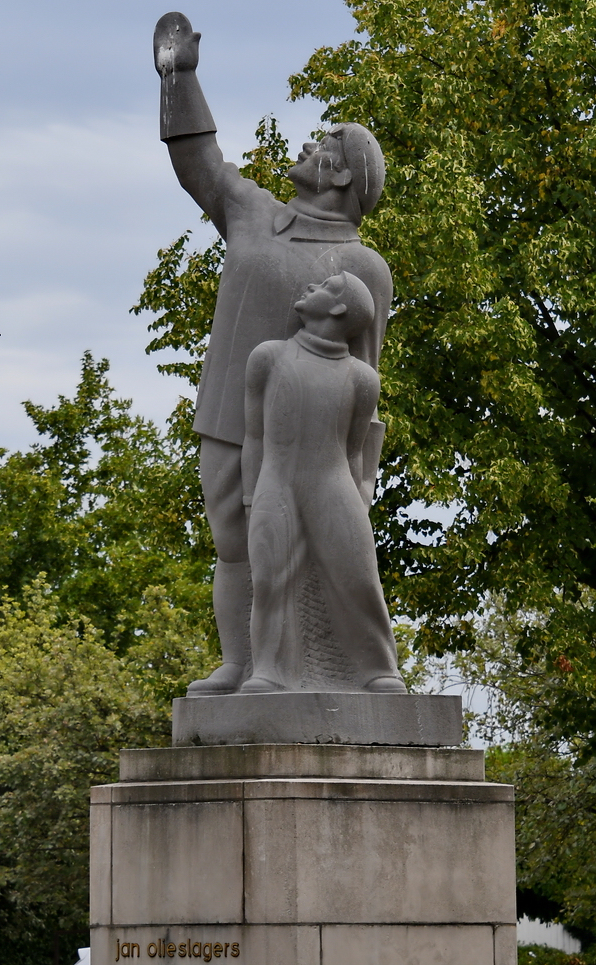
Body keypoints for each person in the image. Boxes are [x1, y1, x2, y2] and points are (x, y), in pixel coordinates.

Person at [153, 12, 393, 694]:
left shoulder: (363, 266)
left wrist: (360, 474)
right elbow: (199, 163)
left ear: (342, 176)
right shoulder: (253, 213)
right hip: (232, 408)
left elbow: (365, 376)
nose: (307, 146)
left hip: (313, 437)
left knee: (325, 553)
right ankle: (240, 663)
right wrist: (179, 77)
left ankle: (339, 670)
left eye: (323, 145)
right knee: (235, 542)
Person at [241, 272, 405, 694]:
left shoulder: (362, 377)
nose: (311, 287)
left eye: (327, 287)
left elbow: (353, 449)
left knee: (358, 576)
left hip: (333, 485)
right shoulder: (269, 357)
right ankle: (269, 670)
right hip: (276, 481)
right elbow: (254, 435)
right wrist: (250, 494)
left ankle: (378, 668)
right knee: (269, 578)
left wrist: (356, 501)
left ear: (338, 309)